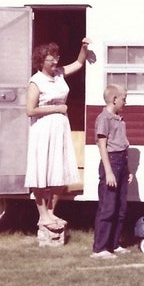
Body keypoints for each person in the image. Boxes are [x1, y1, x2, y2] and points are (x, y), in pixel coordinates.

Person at [25, 38, 92, 232]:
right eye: (50, 59)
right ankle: (42, 215)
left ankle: (51, 211)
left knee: (59, 170)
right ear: (40, 61)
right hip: (43, 129)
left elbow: (79, 63)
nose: (55, 62)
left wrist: (83, 48)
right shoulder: (36, 81)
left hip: (60, 128)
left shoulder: (60, 74)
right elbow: (30, 110)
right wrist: (58, 108)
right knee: (40, 171)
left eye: (56, 58)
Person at [91, 84, 133, 259]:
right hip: (111, 163)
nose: (126, 101)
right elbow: (102, 146)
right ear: (114, 99)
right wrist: (108, 172)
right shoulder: (104, 118)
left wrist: (128, 169)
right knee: (107, 207)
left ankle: (114, 244)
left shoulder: (118, 118)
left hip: (121, 163)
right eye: (123, 98)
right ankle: (100, 249)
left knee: (120, 208)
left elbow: (123, 146)